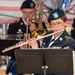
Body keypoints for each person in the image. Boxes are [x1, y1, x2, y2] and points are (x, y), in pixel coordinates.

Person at [6, 0, 47, 75]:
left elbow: (45, 44)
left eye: (30, 12)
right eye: (25, 12)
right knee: (16, 66)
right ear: (21, 10)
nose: (27, 15)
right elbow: (9, 46)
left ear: (35, 11)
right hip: (18, 58)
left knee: (43, 67)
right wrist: (19, 47)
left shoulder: (41, 25)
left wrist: (34, 31)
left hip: (36, 58)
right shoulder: (14, 25)